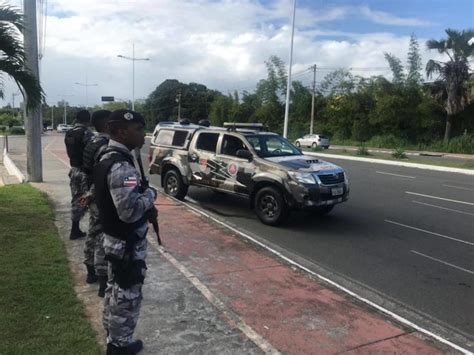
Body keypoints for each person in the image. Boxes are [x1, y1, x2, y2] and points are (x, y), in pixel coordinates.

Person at [93, 109, 157, 354]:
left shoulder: (106, 155)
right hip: (125, 243)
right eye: (138, 129)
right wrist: (150, 196)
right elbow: (129, 211)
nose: (143, 134)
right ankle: (119, 346)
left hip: (114, 239)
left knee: (114, 290)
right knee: (127, 296)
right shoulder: (121, 166)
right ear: (121, 131)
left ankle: (112, 334)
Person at [82, 110, 112, 289]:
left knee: (92, 233)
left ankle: (90, 271)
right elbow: (102, 173)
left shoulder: (92, 141)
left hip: (91, 192)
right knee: (102, 237)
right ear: (107, 124)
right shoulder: (105, 145)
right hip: (100, 195)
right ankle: (102, 280)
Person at [64, 109, 93, 240]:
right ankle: (83, 231)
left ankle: (75, 228)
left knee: (76, 198)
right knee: (88, 199)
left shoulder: (69, 132)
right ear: (88, 120)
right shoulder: (87, 133)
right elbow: (91, 152)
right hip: (85, 171)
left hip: (74, 169)